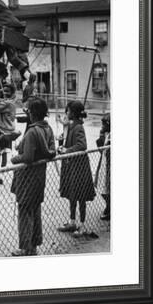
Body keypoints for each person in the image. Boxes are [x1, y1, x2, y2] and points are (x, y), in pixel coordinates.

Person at [10, 97, 56, 256]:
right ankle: (34, 244)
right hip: (39, 177)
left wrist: (15, 158)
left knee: (24, 212)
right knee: (35, 210)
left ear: (32, 113)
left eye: (28, 110)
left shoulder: (32, 131)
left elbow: (28, 157)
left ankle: (24, 247)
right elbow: (49, 150)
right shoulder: (47, 128)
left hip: (27, 178)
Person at [57, 101, 97, 237]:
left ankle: (82, 224)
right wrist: (61, 144)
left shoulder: (78, 127)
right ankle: (72, 221)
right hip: (71, 165)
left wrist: (67, 150)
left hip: (79, 166)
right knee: (72, 194)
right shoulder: (70, 126)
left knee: (81, 196)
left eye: (68, 111)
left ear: (73, 113)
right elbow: (68, 141)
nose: (66, 113)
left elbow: (82, 145)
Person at [0, 82, 21, 169]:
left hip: (3, 131)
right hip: (9, 131)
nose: (4, 93)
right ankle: (2, 171)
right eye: (3, 91)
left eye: (7, 91)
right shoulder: (10, 101)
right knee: (4, 151)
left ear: (11, 93)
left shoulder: (8, 104)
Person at [96, 113, 111, 221]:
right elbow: (101, 150)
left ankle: (109, 208)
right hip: (104, 163)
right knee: (102, 187)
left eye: (103, 125)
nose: (102, 127)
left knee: (108, 187)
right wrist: (101, 137)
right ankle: (108, 205)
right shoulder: (106, 135)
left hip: (109, 165)